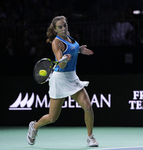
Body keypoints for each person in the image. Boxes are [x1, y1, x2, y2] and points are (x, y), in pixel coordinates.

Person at [27, 16, 99, 147]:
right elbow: (61, 66)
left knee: (88, 107)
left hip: (72, 77)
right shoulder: (56, 42)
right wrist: (64, 59)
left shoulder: (69, 36)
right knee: (52, 118)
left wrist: (81, 50)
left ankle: (90, 137)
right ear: (55, 29)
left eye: (65, 25)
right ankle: (34, 127)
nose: (64, 28)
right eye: (60, 27)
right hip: (60, 79)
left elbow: (74, 49)